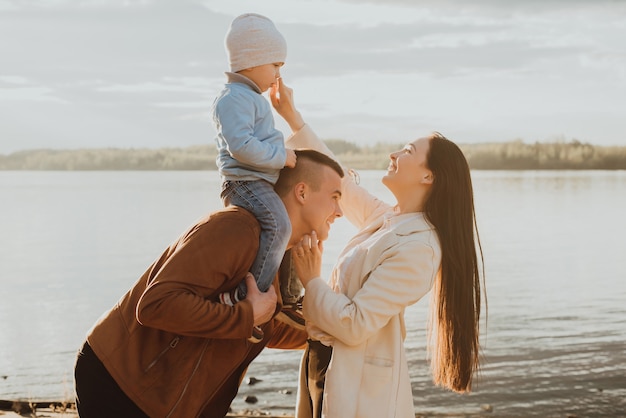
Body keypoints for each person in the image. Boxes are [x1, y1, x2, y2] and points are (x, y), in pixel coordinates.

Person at [73, 114, 345, 417]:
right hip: (120, 381)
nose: (340, 212)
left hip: (165, 400)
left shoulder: (280, 254)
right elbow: (156, 304)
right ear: (303, 192)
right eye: (335, 197)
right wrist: (246, 314)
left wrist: (334, 324)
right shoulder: (237, 228)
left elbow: (267, 325)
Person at [285, 126, 485, 417]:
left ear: (428, 177)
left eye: (407, 151)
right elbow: (339, 182)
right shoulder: (388, 218)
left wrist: (312, 280)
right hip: (323, 364)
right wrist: (292, 118)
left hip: (355, 384)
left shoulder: (421, 249)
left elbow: (356, 324)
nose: (394, 154)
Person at [211, 13, 301, 339]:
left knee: (293, 225)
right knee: (279, 225)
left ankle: (290, 296)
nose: (278, 74)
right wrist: (282, 156)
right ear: (252, 60)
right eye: (275, 65)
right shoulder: (234, 99)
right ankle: (248, 298)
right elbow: (243, 148)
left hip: (260, 180)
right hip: (245, 184)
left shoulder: (249, 97)